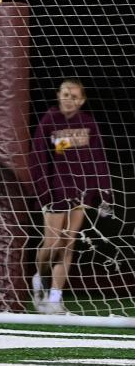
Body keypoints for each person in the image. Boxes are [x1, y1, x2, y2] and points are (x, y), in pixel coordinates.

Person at [28, 78, 112, 315]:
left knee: (69, 243)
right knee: (52, 242)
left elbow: (99, 159)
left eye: (74, 96)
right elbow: (37, 160)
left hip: (82, 192)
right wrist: (42, 193)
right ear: (58, 95)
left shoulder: (88, 124)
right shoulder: (49, 121)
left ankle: (55, 298)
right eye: (66, 94)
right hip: (55, 192)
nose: (69, 99)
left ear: (82, 100)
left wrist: (104, 194)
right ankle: (39, 279)